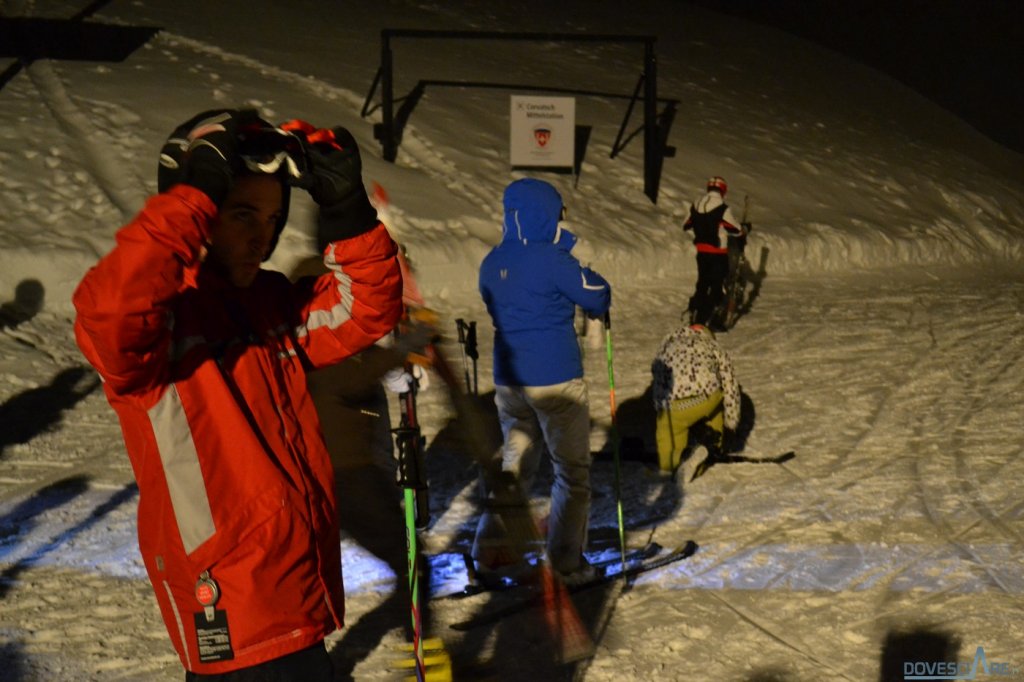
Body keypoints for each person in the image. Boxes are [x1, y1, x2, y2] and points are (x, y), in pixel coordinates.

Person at [72, 108, 403, 680]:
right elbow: (110, 307)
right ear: (200, 212)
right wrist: (195, 194)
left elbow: (365, 309)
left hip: (297, 590)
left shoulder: (271, 305)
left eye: (272, 218)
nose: (261, 236)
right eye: (241, 213)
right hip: (231, 602)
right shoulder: (159, 332)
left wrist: (347, 210)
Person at [472, 178, 611, 584]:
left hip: (510, 382)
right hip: (555, 381)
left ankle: (493, 551)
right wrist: (570, 256)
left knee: (516, 468)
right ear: (544, 214)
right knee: (571, 472)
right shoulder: (553, 261)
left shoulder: (492, 262)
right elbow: (596, 295)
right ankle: (566, 561)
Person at [651, 323, 742, 476]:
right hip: (706, 398)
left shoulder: (666, 346)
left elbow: (658, 380)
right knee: (716, 401)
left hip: (674, 406)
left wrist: (661, 410)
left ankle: (675, 461)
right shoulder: (712, 346)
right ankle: (711, 448)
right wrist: (731, 423)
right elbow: (730, 386)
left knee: (667, 442)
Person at [682, 176, 749, 327]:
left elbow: (686, 224)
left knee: (702, 283)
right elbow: (735, 230)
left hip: (701, 251)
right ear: (723, 190)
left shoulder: (696, 204)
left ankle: (694, 312)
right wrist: (744, 229)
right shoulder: (722, 208)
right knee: (717, 286)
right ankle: (705, 319)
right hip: (718, 253)